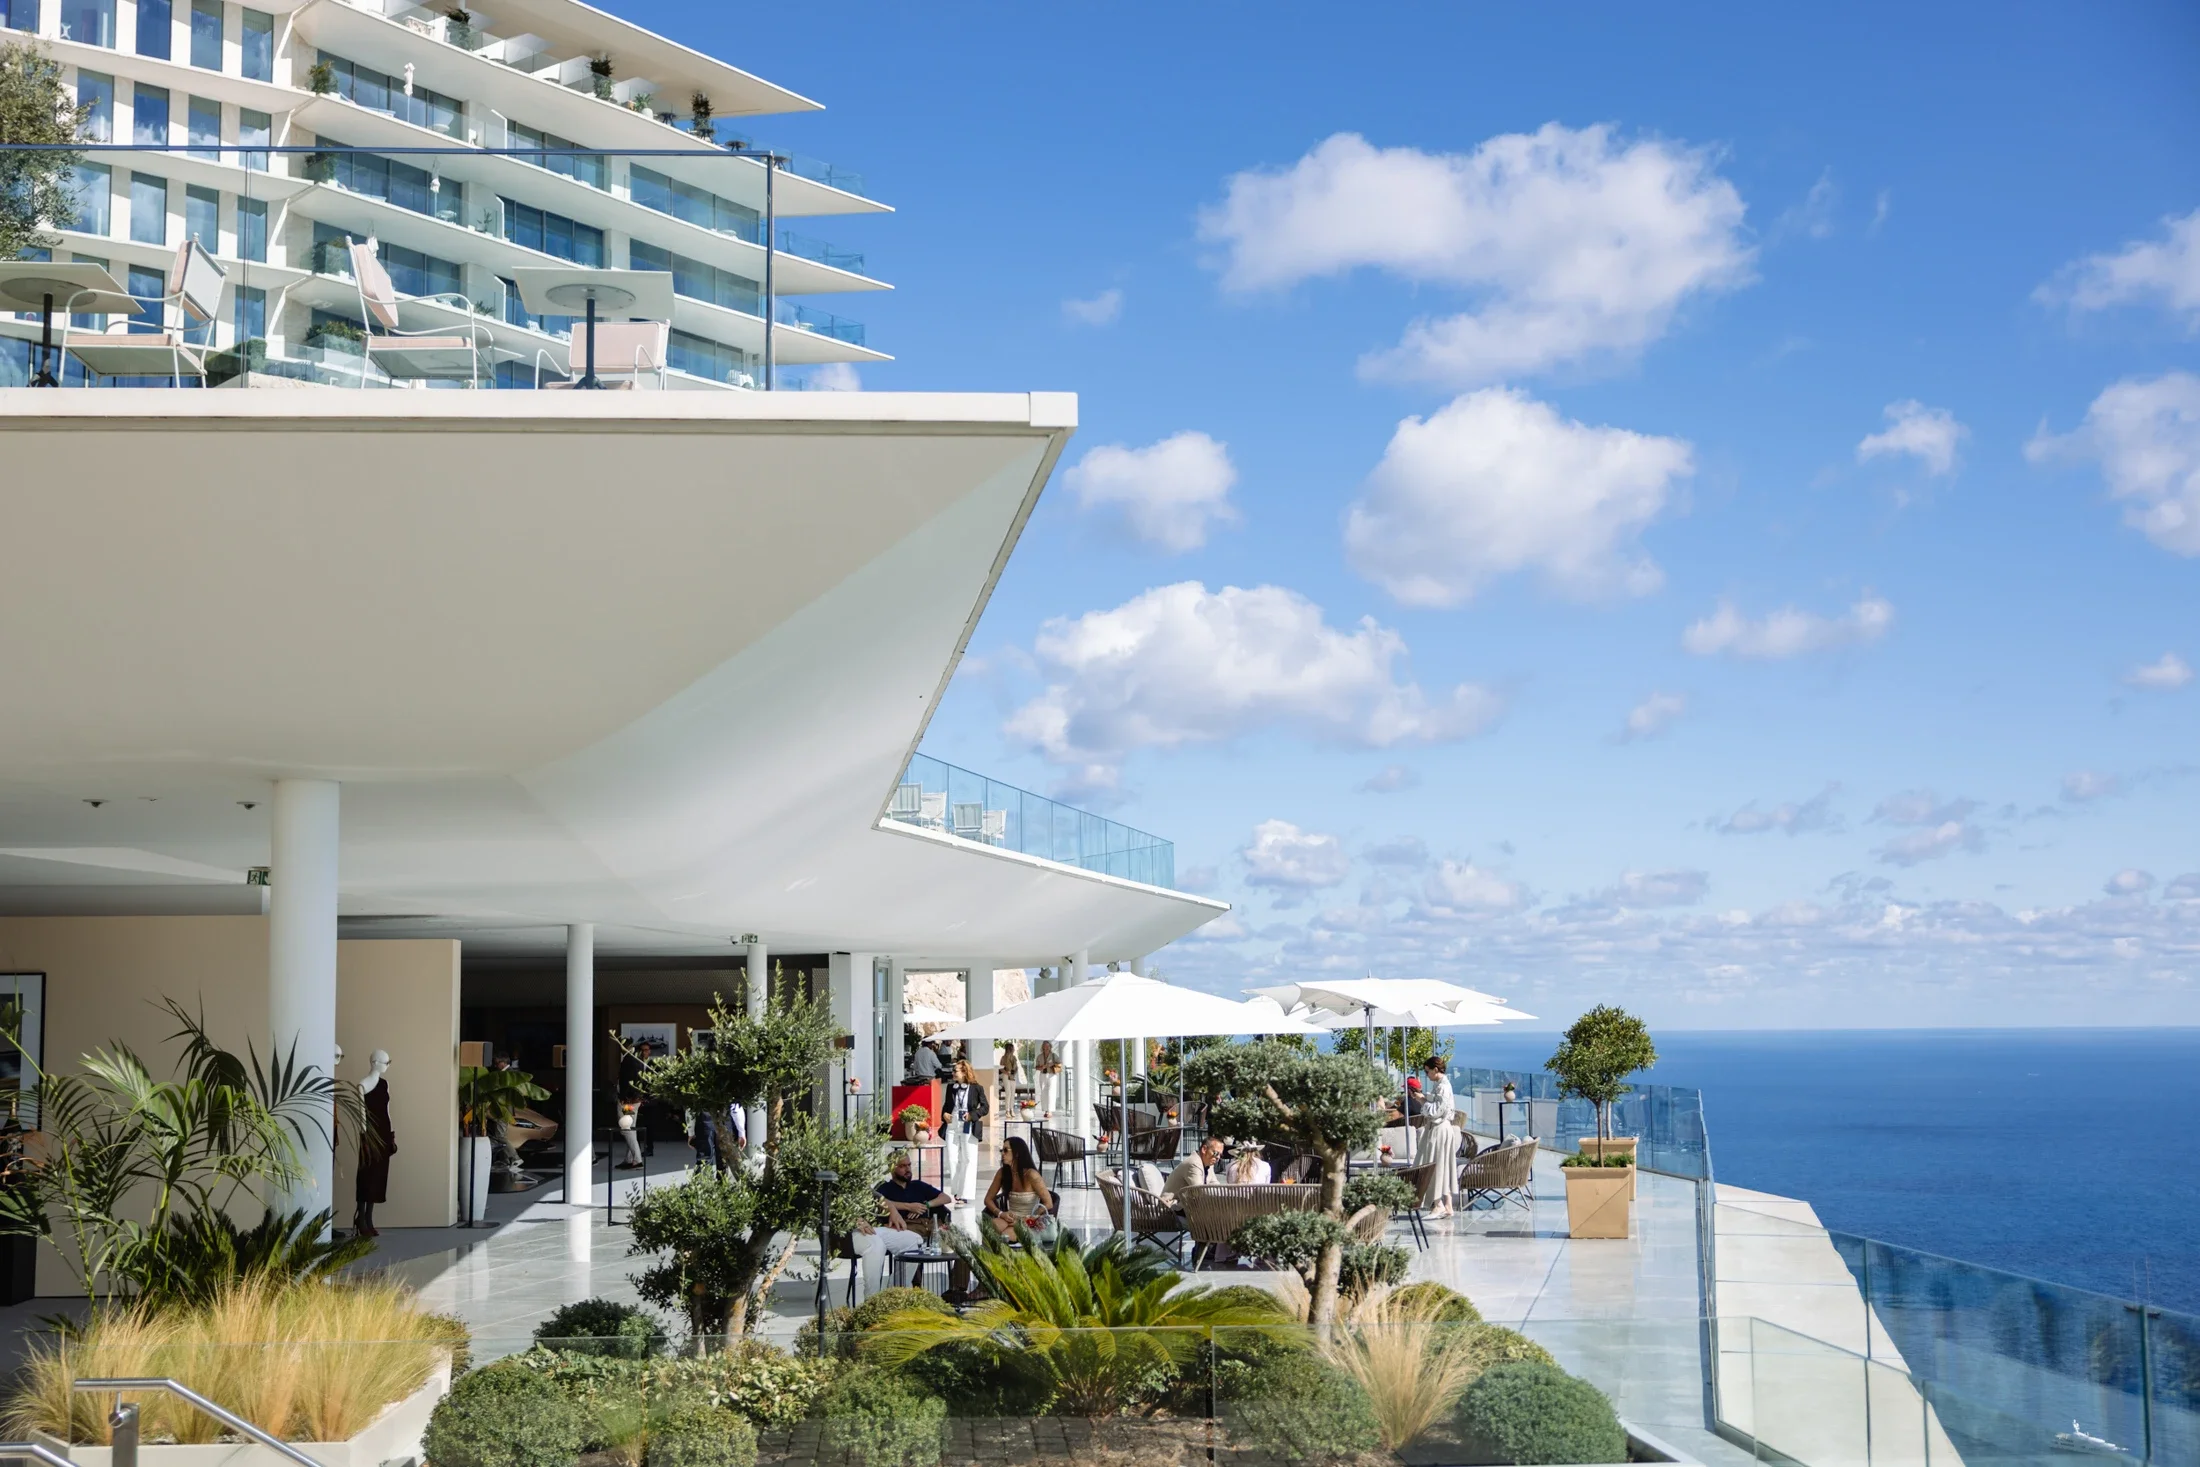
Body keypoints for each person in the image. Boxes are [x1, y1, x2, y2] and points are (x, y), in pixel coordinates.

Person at [982, 1134, 1055, 1240]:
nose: (1002, 1153)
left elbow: (1048, 1203)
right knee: (989, 1229)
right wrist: (1001, 1213)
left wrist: (1030, 1218)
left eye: (1006, 1150)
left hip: (1029, 1220)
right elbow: (987, 1199)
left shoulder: (1031, 1174)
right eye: (1001, 1150)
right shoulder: (1003, 1173)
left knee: (1006, 1236)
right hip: (1010, 1218)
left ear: (1016, 1153)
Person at [942, 1058, 989, 1203]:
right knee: (952, 1158)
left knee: (968, 1159)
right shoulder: (951, 1088)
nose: (953, 1073)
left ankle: (965, 1193)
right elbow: (946, 1106)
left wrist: (972, 1115)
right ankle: (957, 1190)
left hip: (968, 1124)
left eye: (955, 1071)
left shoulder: (977, 1088)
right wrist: (944, 1114)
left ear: (964, 1072)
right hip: (953, 1124)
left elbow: (985, 1107)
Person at [1421, 1056, 1463, 1218]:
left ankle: (1438, 1204)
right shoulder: (1440, 1085)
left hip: (1439, 1129)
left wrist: (1422, 1100)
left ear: (1435, 1069)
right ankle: (1448, 1205)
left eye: (1427, 1071)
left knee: (1435, 1165)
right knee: (1442, 1165)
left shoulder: (1443, 1087)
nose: (1427, 1075)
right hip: (1442, 1129)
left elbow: (1436, 1111)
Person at [875, 1150, 950, 1239]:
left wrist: (925, 1205)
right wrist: (909, 1207)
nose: (908, 1169)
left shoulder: (918, 1185)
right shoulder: (885, 1188)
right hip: (902, 1231)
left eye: (909, 1165)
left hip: (925, 1229)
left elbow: (946, 1198)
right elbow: (880, 1202)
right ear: (892, 1168)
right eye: (902, 1166)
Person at [616, 1040, 653, 1170]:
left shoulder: (629, 1060)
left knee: (626, 1128)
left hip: (628, 1101)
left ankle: (637, 1160)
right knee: (631, 1128)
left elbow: (628, 1081)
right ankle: (630, 1159)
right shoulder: (636, 1060)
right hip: (634, 1099)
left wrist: (625, 1098)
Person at [1162, 1134, 1225, 1206]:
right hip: (1170, 1206)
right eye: (1216, 1153)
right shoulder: (1193, 1163)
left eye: (1220, 1155)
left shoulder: (1209, 1164)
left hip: (1186, 1205)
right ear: (1204, 1149)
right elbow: (1200, 1191)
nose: (1218, 1157)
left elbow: (1216, 1187)